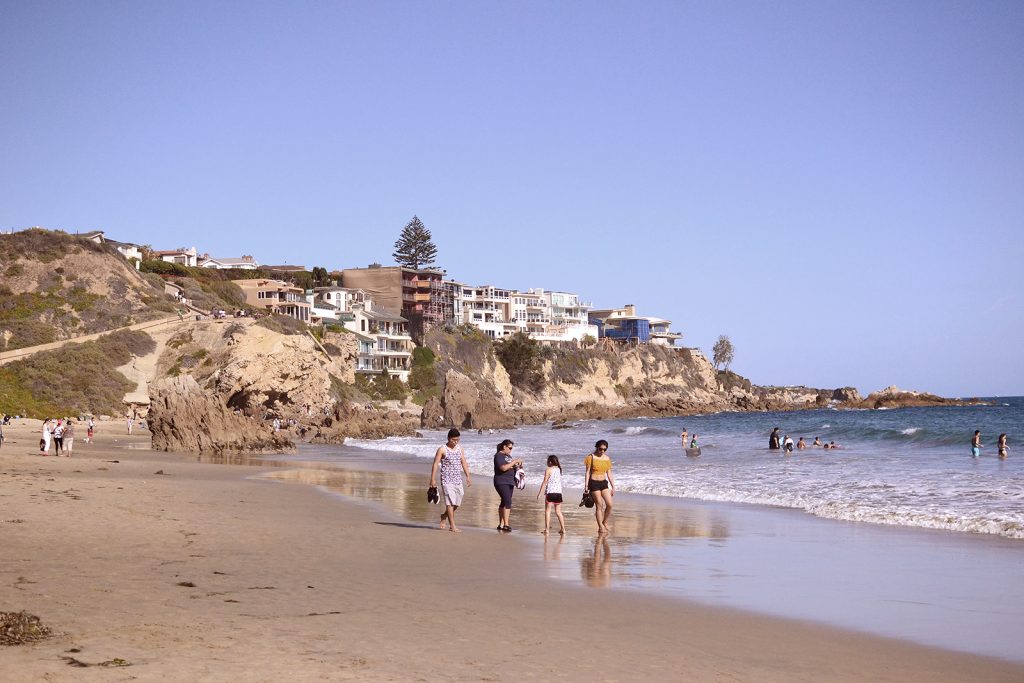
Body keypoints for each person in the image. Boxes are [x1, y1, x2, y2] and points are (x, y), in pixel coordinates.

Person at [429, 428, 473, 533]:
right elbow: (435, 464)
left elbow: (463, 462)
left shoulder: (460, 449)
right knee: (449, 502)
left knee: (457, 502)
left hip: (457, 478)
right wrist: (432, 479)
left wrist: (468, 476)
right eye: (453, 440)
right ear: (449, 438)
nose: (455, 442)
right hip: (446, 479)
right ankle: (452, 526)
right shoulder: (442, 449)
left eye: (457, 440)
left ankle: (444, 516)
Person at [584, 440, 615, 534]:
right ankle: (600, 527)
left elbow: (609, 473)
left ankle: (604, 522)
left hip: (604, 483)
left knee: (609, 504)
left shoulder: (607, 459)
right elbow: (588, 472)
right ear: (596, 447)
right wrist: (586, 486)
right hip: (594, 483)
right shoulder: (591, 457)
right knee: (599, 505)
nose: (602, 451)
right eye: (600, 449)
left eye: (604, 449)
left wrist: (613, 486)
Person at [493, 439, 522, 532]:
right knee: (508, 501)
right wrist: (514, 462)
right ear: (504, 447)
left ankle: (501, 524)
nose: (510, 450)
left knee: (504, 502)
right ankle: (506, 524)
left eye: (511, 448)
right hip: (501, 481)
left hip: (510, 481)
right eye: (509, 448)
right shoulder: (498, 456)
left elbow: (510, 466)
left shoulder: (508, 456)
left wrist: (518, 466)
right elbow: (503, 468)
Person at [536, 455, 566, 535]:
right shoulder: (559, 469)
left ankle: (547, 530)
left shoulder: (548, 469)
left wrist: (539, 494)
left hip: (550, 493)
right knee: (558, 512)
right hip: (558, 493)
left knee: (548, 511)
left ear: (550, 462)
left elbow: (544, 482)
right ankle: (563, 529)